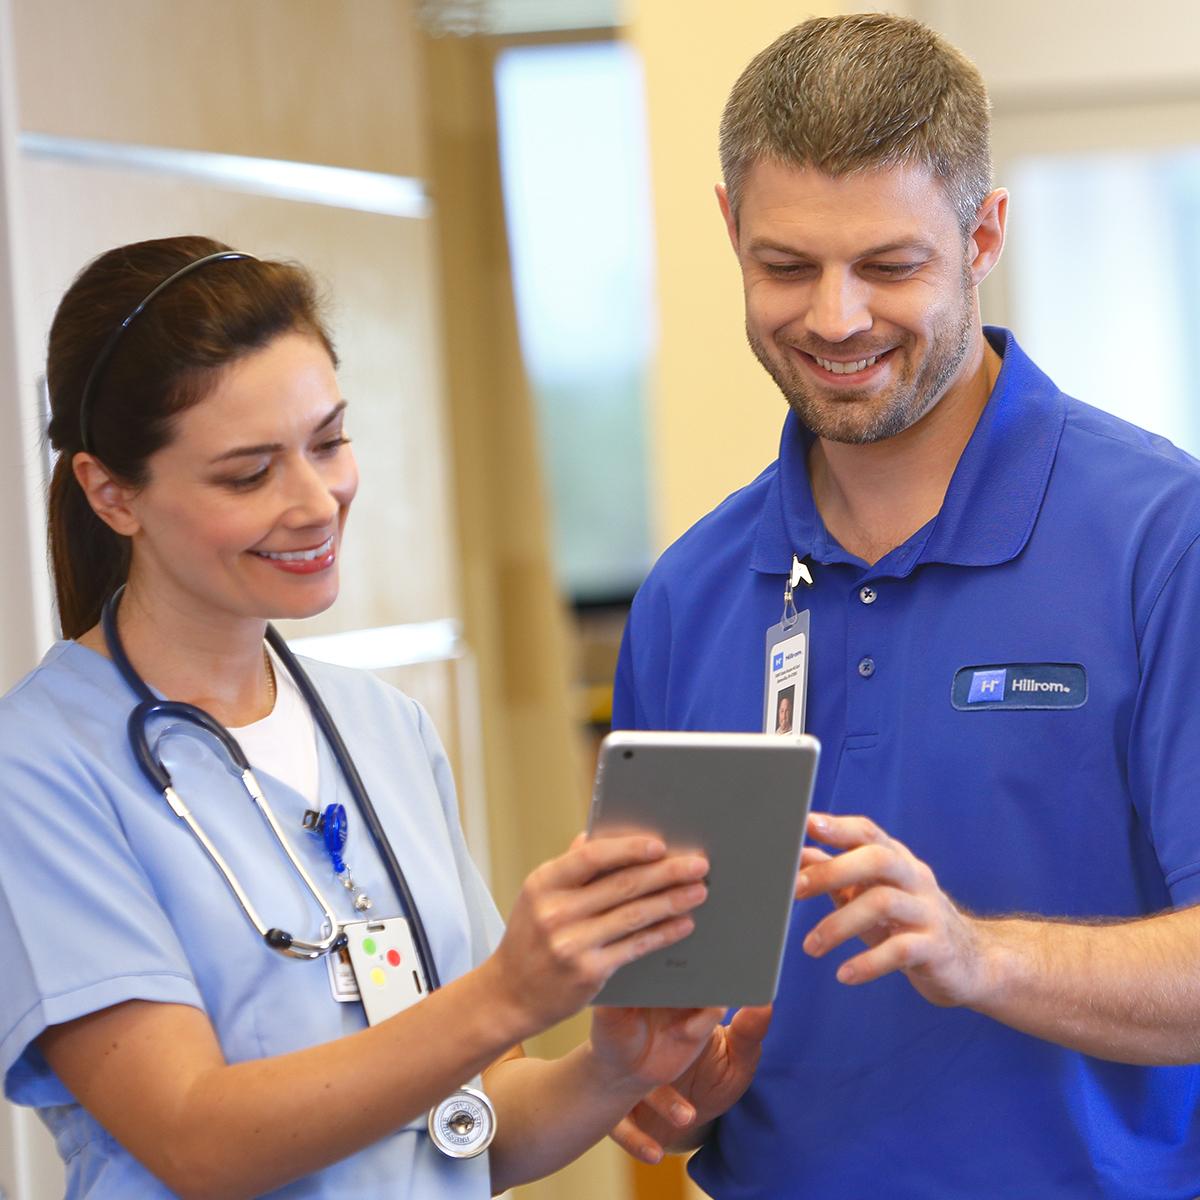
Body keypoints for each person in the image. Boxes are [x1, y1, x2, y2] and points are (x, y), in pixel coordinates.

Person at [610, 13, 1200, 1198]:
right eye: (785, 266)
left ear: (983, 232)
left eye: (889, 266)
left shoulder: (1161, 540)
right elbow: (665, 1012)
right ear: (729, 228)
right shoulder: (689, 593)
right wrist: (666, 1085)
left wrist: (981, 956)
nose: (834, 319)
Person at [0, 235, 724, 1199]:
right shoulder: (41, 768)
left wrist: (618, 1068)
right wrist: (508, 992)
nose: (316, 501)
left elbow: (469, 1127)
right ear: (110, 493)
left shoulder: (380, 729)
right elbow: (193, 1140)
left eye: (329, 442)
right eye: (248, 473)